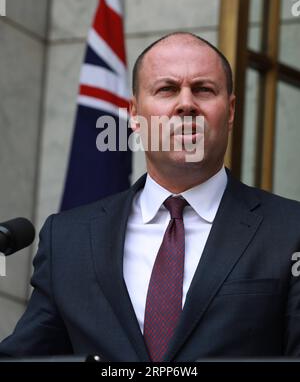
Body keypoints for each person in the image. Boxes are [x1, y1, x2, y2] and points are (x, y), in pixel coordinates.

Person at [0, 32, 300, 361]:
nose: (186, 103)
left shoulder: (289, 231)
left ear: (229, 111)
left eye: (203, 89)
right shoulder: (68, 239)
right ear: (135, 114)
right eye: (167, 89)